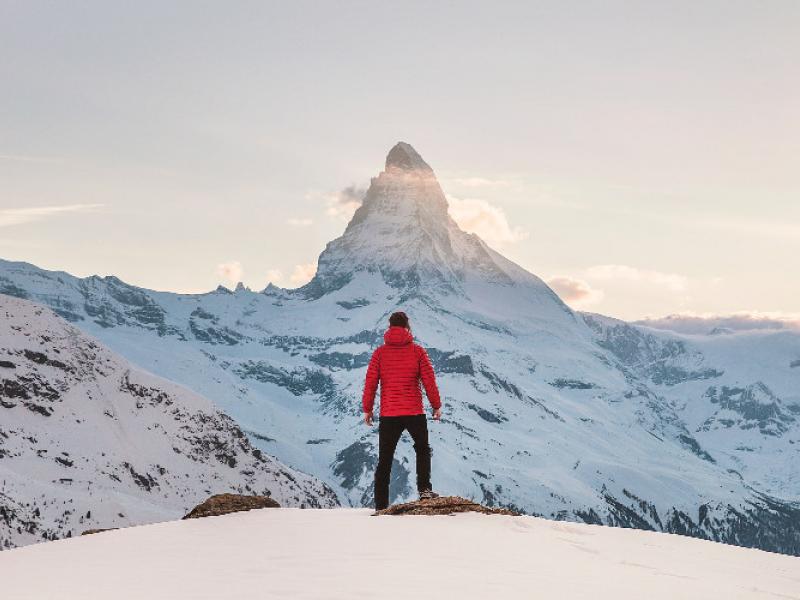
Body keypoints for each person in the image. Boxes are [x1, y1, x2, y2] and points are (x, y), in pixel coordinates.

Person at [362, 311, 442, 510]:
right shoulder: (417, 351)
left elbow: (371, 383)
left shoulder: (379, 353)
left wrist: (367, 409)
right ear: (407, 327)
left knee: (385, 459)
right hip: (414, 411)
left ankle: (381, 505)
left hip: (389, 414)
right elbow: (429, 380)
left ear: (389, 327)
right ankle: (424, 490)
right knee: (422, 449)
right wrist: (436, 405)